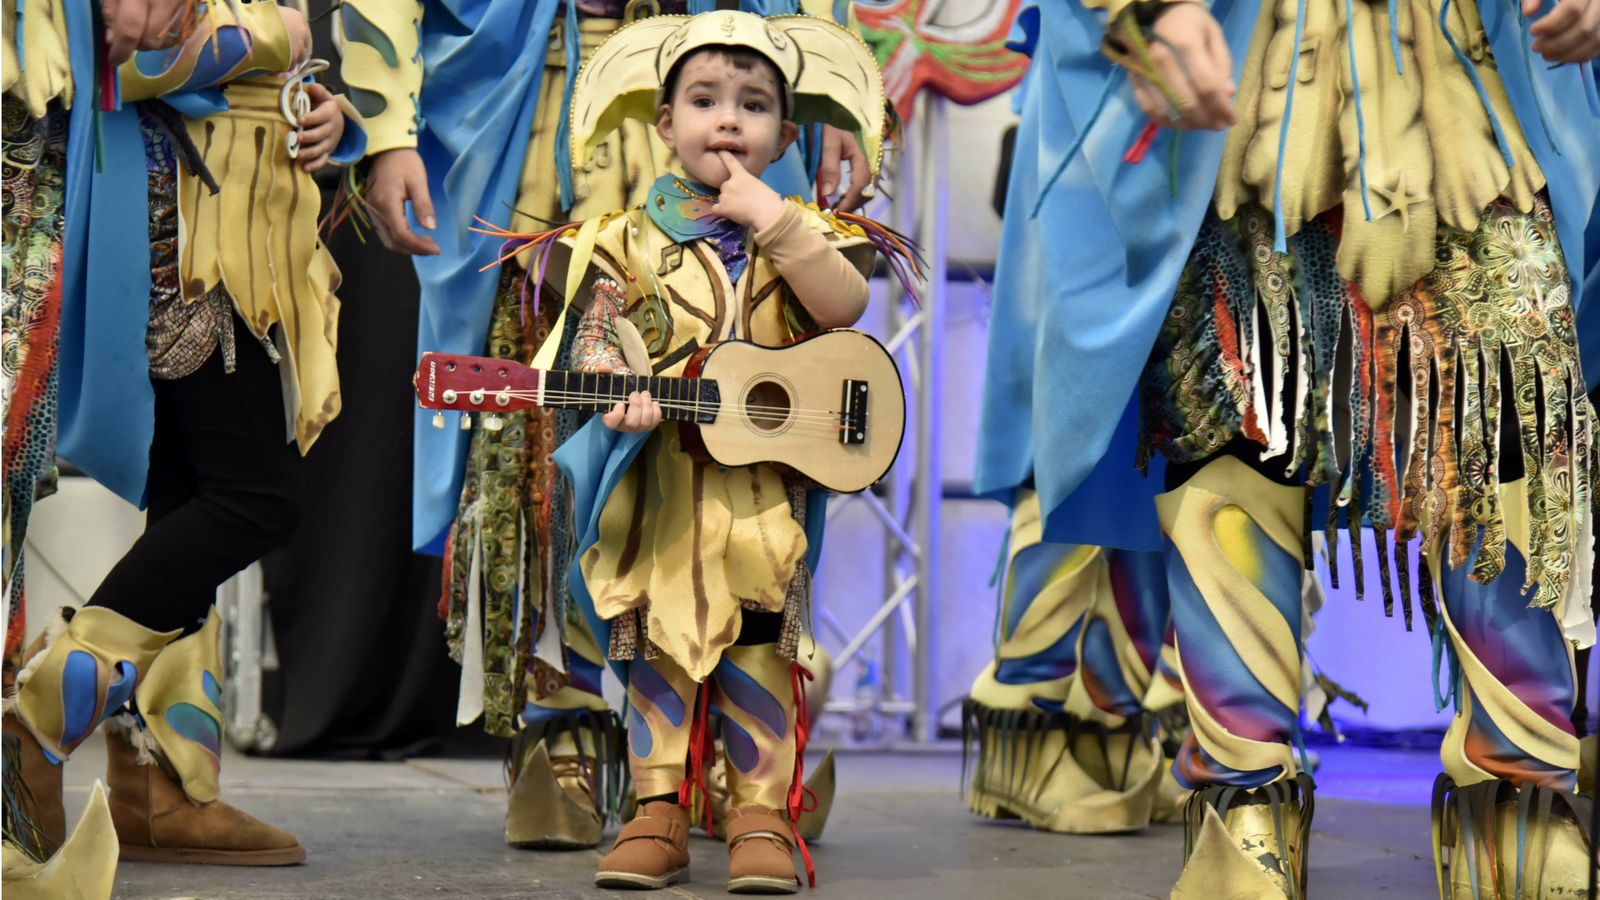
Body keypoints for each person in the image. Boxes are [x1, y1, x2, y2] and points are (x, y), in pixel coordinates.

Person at [973, 0, 1600, 896]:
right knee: (1238, 418)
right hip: (1248, 81)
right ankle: (1245, 804)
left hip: (1463, 79)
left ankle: (1521, 802)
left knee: (1503, 414)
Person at [337, 0, 865, 850]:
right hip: (551, 125)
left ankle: (733, 763)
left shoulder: (758, 156)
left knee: (756, 492)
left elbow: (842, 300)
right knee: (560, 473)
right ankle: (571, 739)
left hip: (733, 94)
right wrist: (387, 128)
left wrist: (839, 96)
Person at [475, 10, 914, 891]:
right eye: (705, 101)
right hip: (660, 495)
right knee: (655, 642)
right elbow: (590, 344)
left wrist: (777, 223)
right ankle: (657, 809)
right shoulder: (618, 240)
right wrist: (619, 396)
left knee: (759, 639)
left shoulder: (804, 230)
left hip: (762, 498)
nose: (728, 120)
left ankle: (758, 814)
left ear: (784, 135)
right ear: (664, 122)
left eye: (753, 105)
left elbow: (843, 309)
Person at [3, 1, 365, 890]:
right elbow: (102, 52)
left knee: (190, 495)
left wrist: (312, 103)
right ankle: (39, 721)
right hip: (176, 222)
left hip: (229, 210)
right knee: (252, 497)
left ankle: (158, 784)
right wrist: (281, 34)